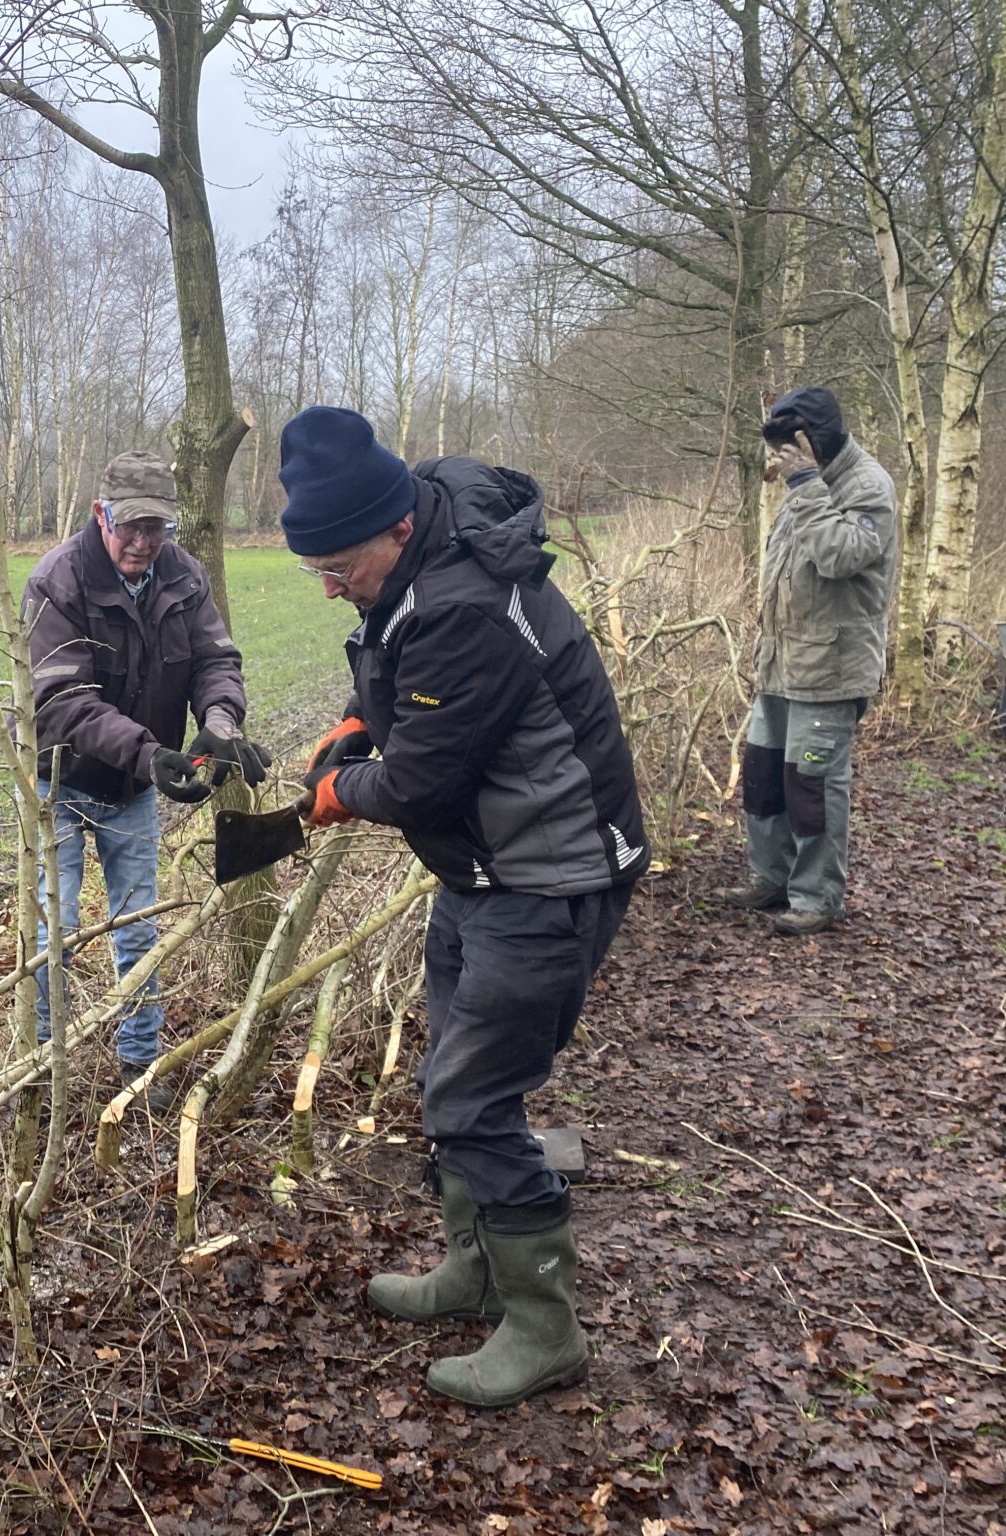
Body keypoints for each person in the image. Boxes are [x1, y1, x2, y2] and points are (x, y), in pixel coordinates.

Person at [279, 405, 645, 1409]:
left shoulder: (463, 605)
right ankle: (475, 1270)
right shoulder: (419, 546)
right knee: (452, 1070)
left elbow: (420, 784)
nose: (328, 587)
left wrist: (337, 789)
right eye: (315, 569)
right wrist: (357, 721)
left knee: (471, 1101)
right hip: (485, 868)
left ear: (396, 527)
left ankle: (545, 1326)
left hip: (549, 874)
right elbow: (395, 669)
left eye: (338, 567)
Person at [24, 451, 269, 1102]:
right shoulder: (58, 580)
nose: (142, 541)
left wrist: (220, 723)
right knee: (54, 933)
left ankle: (139, 1064)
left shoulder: (183, 577)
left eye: (155, 527)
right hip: (59, 781)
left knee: (138, 927)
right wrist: (150, 754)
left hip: (132, 788)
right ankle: (41, 1068)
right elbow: (63, 701)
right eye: (130, 525)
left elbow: (215, 661)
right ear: (100, 515)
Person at [720, 387, 900, 936]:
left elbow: (839, 556)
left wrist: (805, 485)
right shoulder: (807, 481)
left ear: (814, 440)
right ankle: (771, 877)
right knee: (764, 778)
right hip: (780, 662)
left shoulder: (868, 487)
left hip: (830, 668)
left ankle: (817, 898)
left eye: (790, 448)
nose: (783, 460)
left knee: (812, 786)